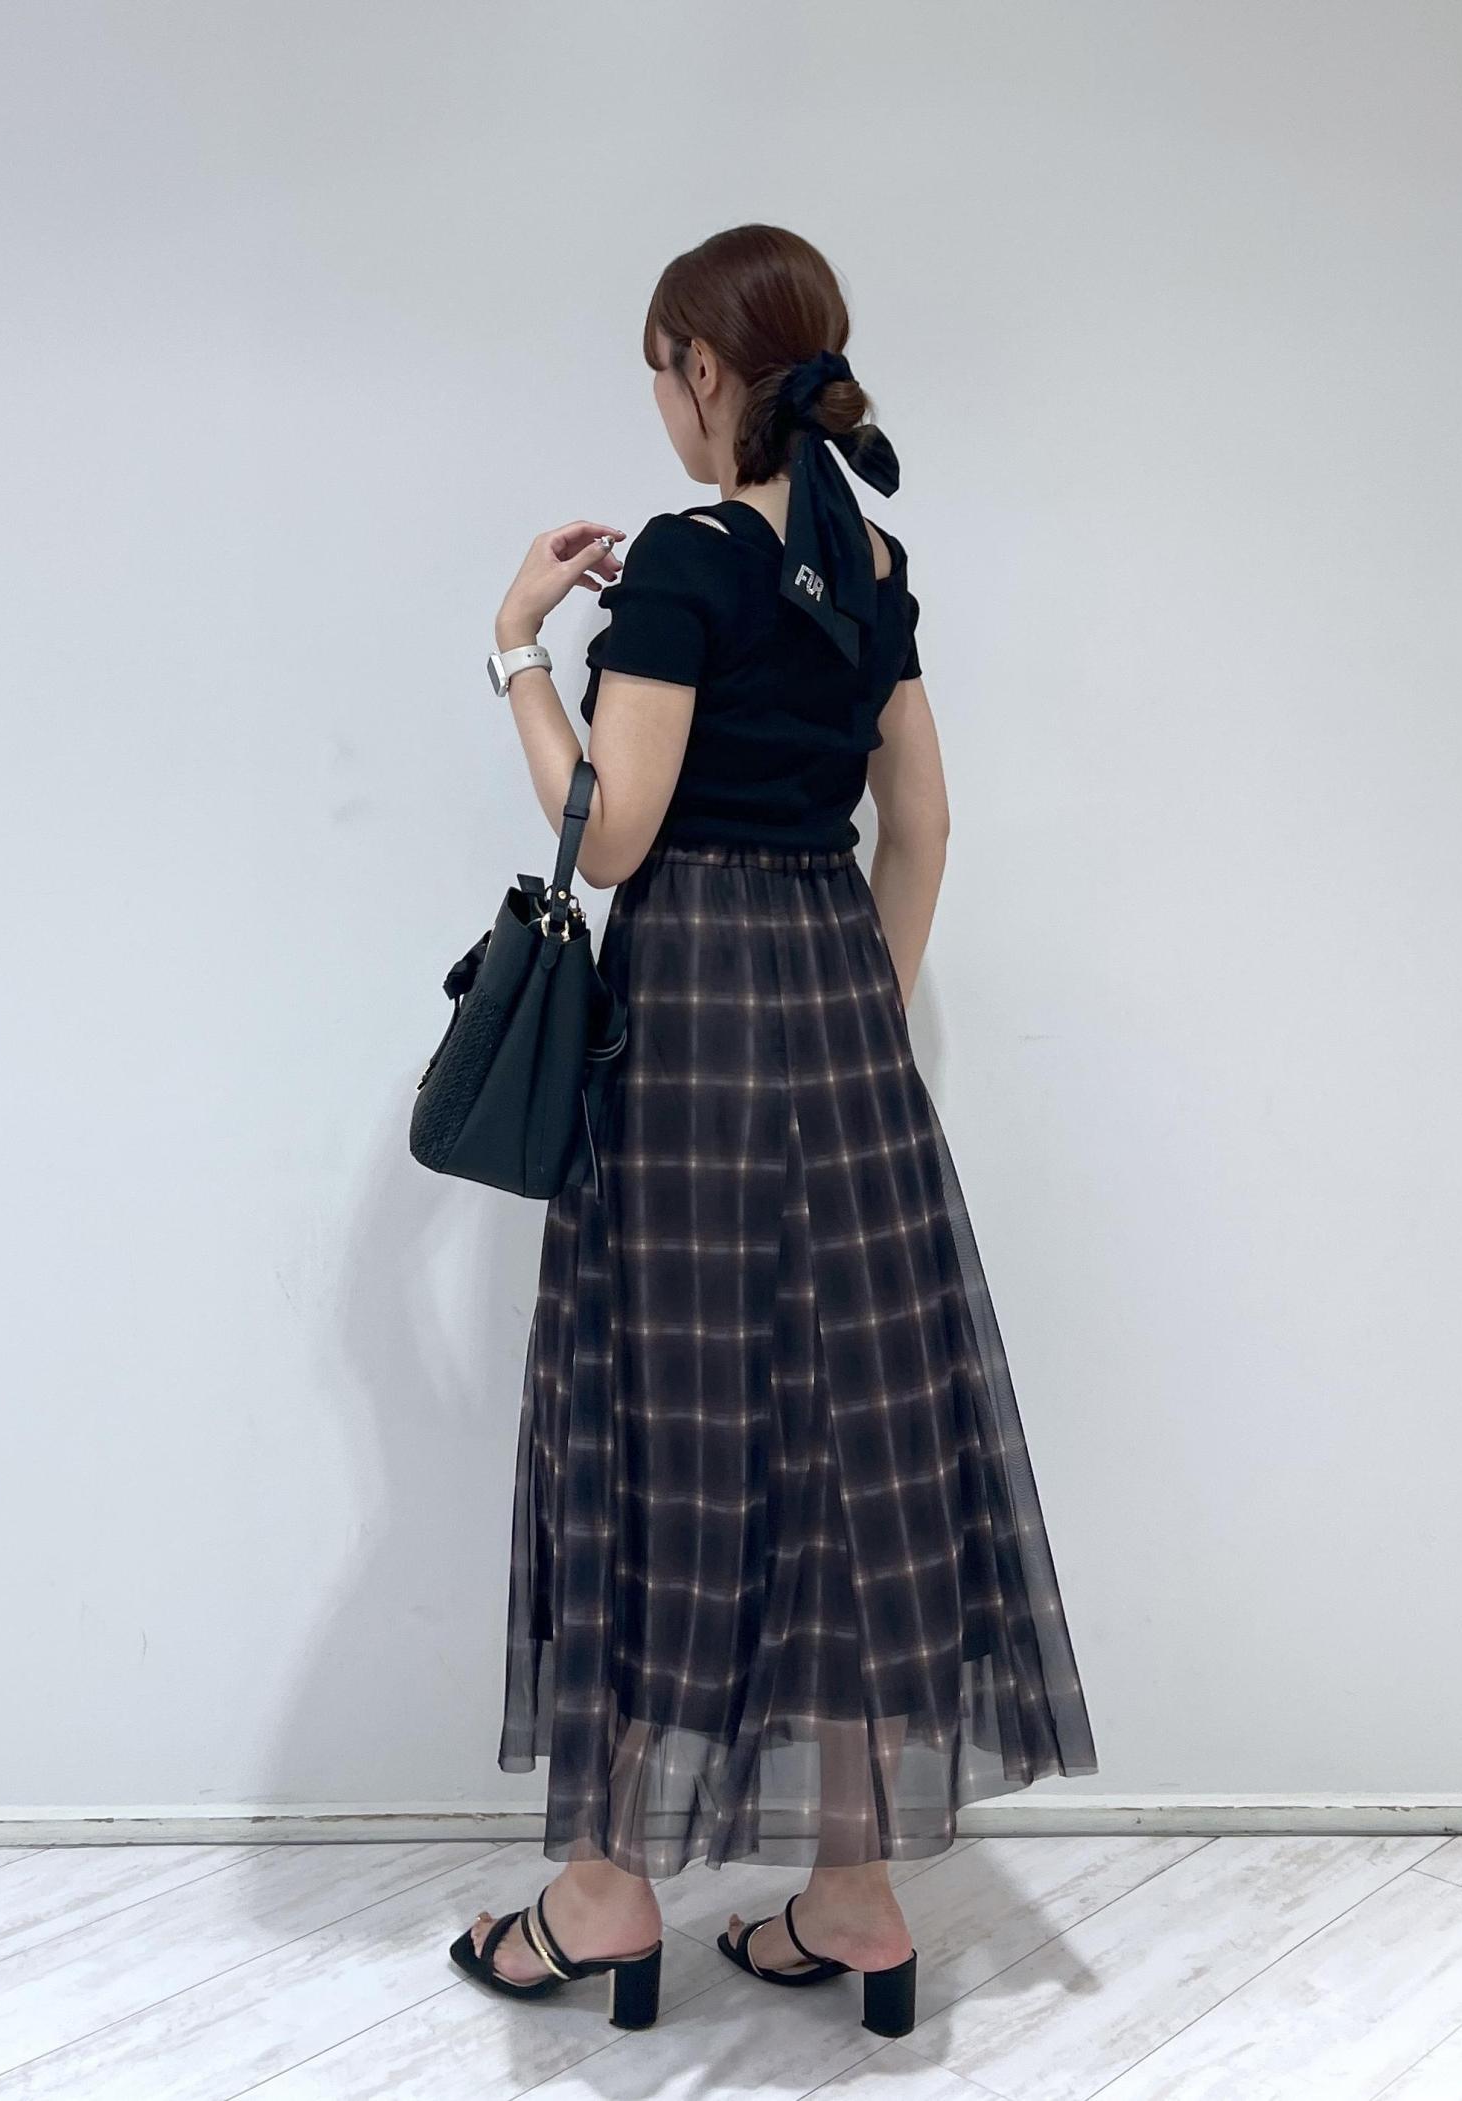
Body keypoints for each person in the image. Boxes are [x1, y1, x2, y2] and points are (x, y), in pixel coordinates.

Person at [449, 223, 1098, 2035]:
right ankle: (859, 1896)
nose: (660, 406)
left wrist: (512, 650)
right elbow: (925, 828)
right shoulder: (870, 563)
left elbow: (611, 834)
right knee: (847, 1443)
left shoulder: (689, 559)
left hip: (690, 1036)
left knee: (666, 1427)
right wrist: (859, 1019)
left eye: (661, 374)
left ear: (704, 369)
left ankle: (603, 1894)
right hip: (834, 1017)